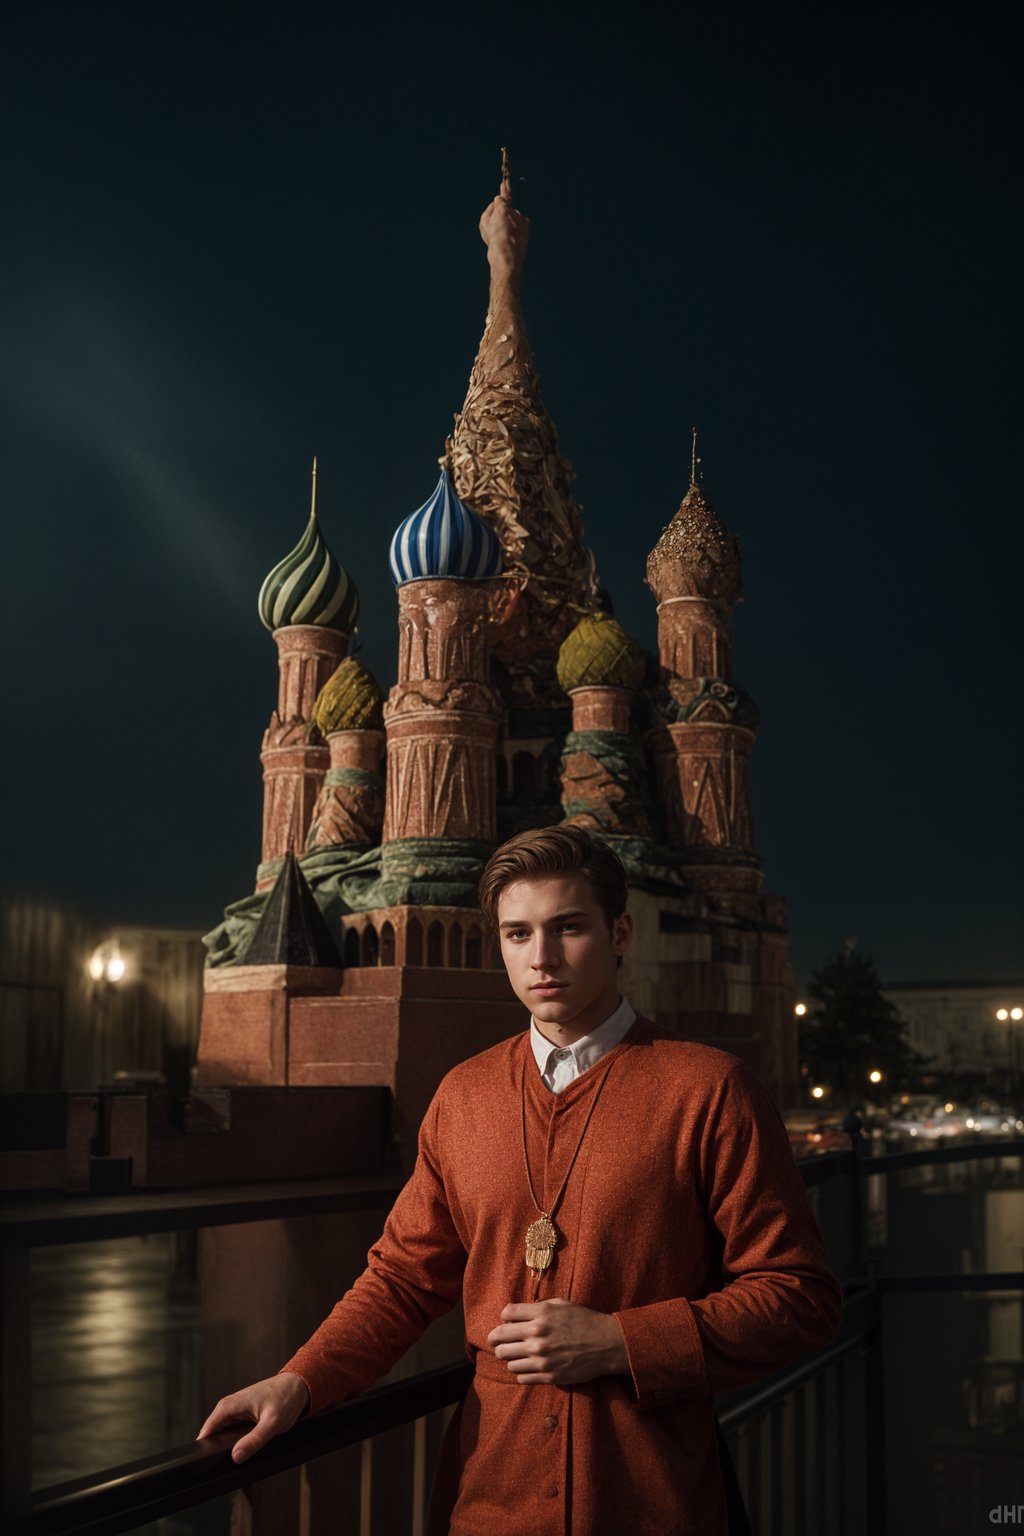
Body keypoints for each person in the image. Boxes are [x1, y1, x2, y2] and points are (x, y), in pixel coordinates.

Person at [199, 826, 842, 1534]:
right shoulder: (463, 1096)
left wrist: (620, 1341)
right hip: (488, 1498)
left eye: (568, 928)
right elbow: (404, 1279)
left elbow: (800, 1296)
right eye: (517, 934)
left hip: (649, 1498)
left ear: (620, 931)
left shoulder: (710, 1088)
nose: (541, 958)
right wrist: (300, 1381)